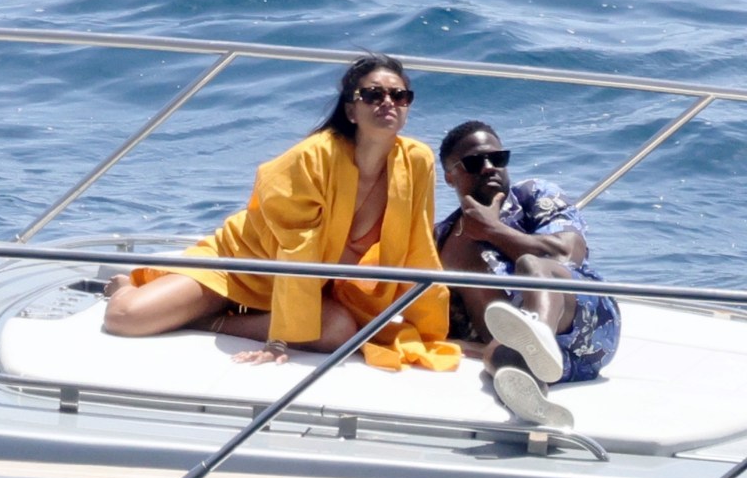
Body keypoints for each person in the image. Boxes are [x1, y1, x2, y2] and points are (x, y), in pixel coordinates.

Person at [103, 53, 460, 372]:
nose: (388, 102)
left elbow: (419, 250)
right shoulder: (313, 157)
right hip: (242, 268)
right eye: (373, 94)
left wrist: (429, 330)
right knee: (125, 318)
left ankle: (212, 321)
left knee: (341, 331)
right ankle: (130, 287)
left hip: (308, 289)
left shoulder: (416, 161)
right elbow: (295, 252)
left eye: (399, 96)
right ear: (351, 110)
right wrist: (279, 340)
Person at [434, 120, 620, 427]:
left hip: (587, 320)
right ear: (450, 177)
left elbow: (568, 254)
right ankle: (535, 397)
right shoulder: (440, 239)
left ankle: (540, 335)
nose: (489, 167)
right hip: (565, 362)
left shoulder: (533, 197)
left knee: (531, 267)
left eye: (498, 158)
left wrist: (494, 230)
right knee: (498, 356)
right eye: (474, 162)